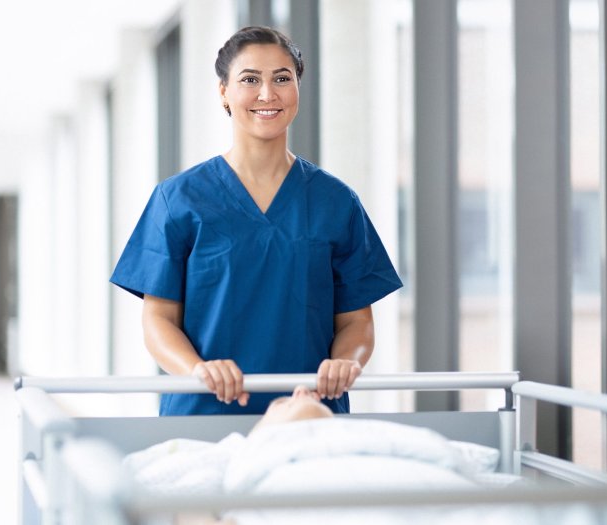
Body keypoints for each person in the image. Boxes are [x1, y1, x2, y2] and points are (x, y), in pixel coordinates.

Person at [110, 26, 402, 416]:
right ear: (223, 93)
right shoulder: (179, 199)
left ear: (298, 88)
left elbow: (357, 322)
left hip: (309, 413)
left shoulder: (336, 202)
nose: (268, 94)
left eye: (283, 78)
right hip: (204, 413)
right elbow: (158, 322)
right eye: (250, 80)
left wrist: (346, 362)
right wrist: (198, 371)